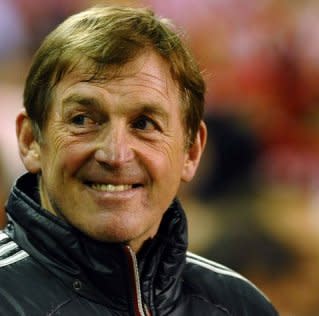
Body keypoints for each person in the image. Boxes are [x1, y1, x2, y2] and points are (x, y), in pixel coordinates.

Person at [0, 5, 277, 315]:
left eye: (144, 123)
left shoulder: (241, 305)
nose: (116, 155)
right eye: (82, 120)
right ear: (30, 141)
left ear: (191, 152)